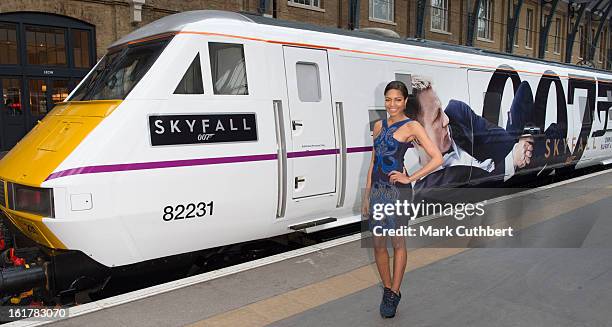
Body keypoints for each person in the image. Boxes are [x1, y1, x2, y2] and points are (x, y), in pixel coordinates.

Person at [362, 81, 443, 318]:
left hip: (398, 192)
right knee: (378, 244)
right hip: (378, 192)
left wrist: (411, 179)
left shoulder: (413, 126)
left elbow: (437, 158)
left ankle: (394, 292)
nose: (392, 104)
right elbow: (374, 162)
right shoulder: (378, 126)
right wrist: (367, 195)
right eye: (388, 99)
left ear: (405, 101)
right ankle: (387, 288)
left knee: (397, 243)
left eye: (397, 99)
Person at [406, 77, 535, 202]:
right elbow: (485, 191)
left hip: (520, 158)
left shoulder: (457, 114)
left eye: (441, 110)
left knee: (525, 91)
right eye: (436, 118)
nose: (446, 120)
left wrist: (518, 149)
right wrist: (513, 159)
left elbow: (505, 143)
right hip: (507, 198)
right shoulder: (426, 189)